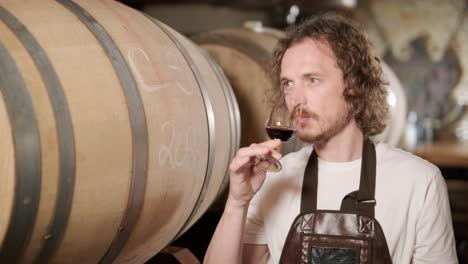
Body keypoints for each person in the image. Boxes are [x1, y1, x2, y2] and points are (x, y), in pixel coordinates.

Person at [203, 12, 457, 264]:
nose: (295, 100)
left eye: (312, 80)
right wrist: (238, 202)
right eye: (288, 84)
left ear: (355, 86)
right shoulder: (272, 178)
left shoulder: (420, 182)